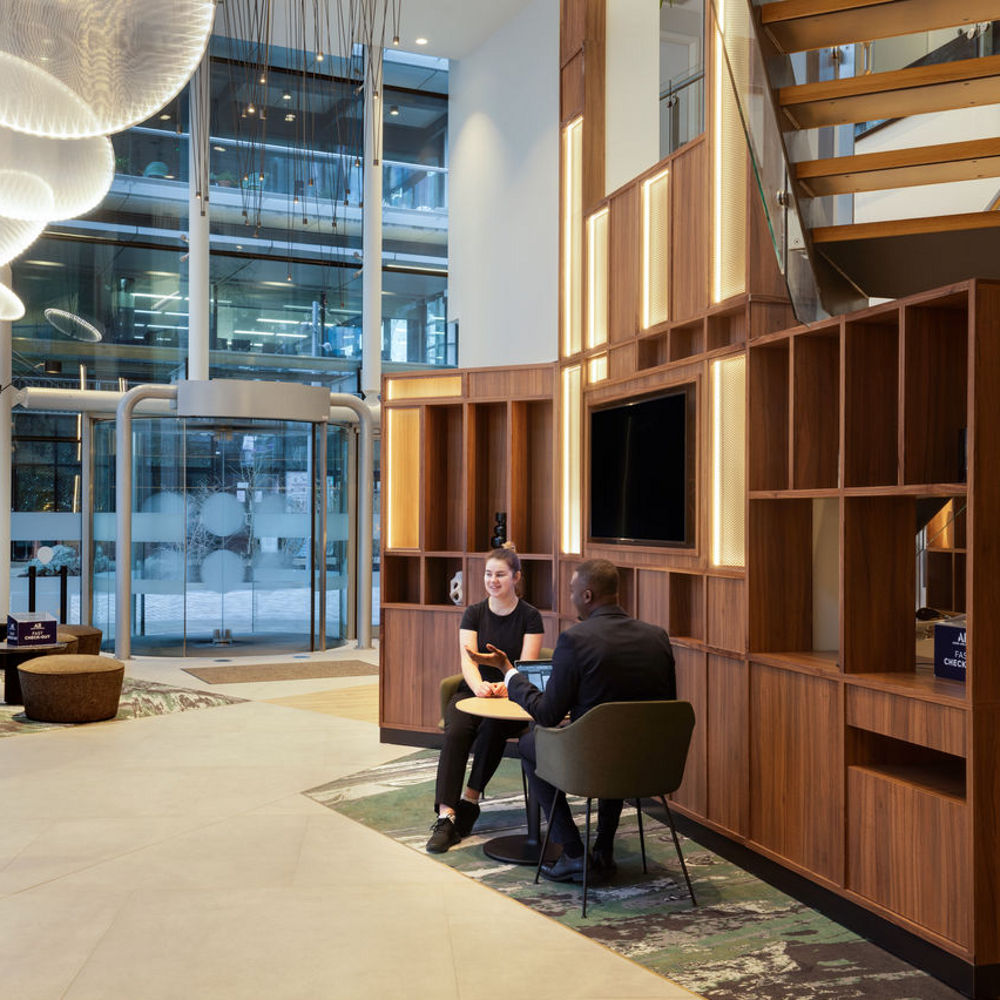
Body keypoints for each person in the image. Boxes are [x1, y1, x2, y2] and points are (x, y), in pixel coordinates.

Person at [465, 558, 675, 882]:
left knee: (531, 743)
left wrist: (509, 672)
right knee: (619, 739)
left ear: (587, 595)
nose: (571, 597)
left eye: (573, 591)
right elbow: (666, 705)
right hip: (651, 765)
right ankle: (603, 850)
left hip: (591, 763)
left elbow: (548, 714)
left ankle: (574, 853)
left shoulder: (576, 640)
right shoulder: (657, 637)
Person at [426, 543, 544, 853]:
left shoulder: (530, 616)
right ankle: (446, 816)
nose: (493, 580)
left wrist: (507, 685)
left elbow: (526, 665)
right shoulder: (474, 612)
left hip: (512, 696)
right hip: (474, 690)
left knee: (493, 727)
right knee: (456, 730)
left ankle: (470, 800)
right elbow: (468, 661)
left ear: (516, 577)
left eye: (500, 575)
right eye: (488, 574)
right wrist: (479, 686)